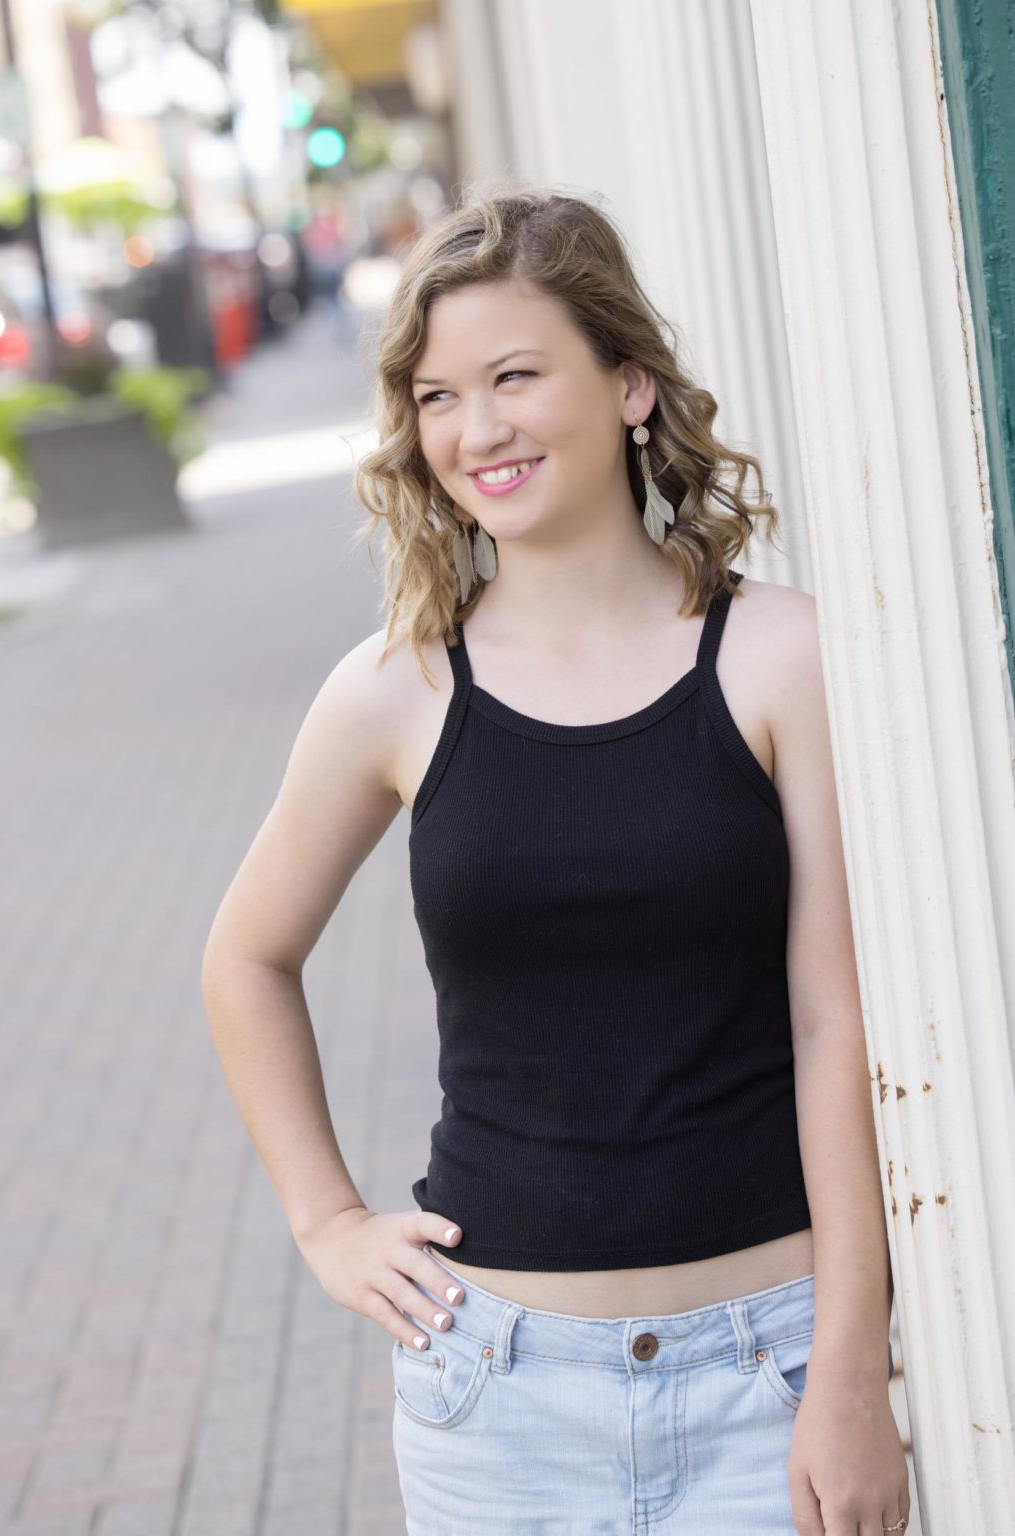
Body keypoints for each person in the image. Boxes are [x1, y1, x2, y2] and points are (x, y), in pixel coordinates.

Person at [201, 186, 912, 1535]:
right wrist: (327, 1222)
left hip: (767, 1378)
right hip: (497, 1401)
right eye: (436, 396)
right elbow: (245, 956)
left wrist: (850, 1373)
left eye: (515, 375)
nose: (476, 430)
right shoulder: (394, 690)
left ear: (629, 383)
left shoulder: (778, 657)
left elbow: (836, 1024)